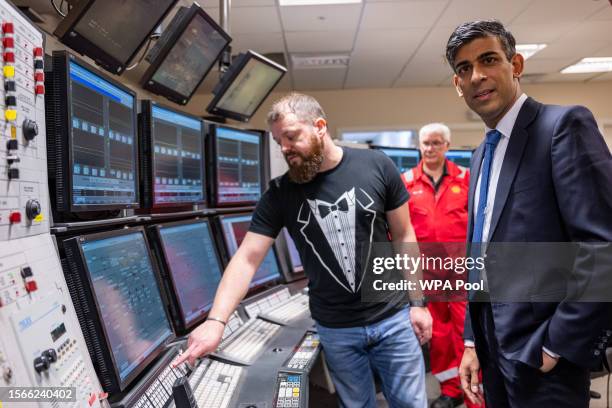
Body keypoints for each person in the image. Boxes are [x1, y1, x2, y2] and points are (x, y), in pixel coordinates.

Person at [173, 93, 433, 408]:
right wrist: (217, 321)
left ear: (320, 126)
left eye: (291, 136)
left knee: (411, 403)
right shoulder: (281, 192)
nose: (284, 147)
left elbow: (404, 235)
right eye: (278, 140)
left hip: (393, 318)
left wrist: (418, 302)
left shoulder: (376, 165)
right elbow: (247, 258)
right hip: (336, 329)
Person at [444, 20, 612, 407]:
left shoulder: (561, 127)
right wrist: (472, 341)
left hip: (543, 354)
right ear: (457, 85)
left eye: (488, 59)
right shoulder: (481, 153)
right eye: (464, 69)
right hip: (492, 349)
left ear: (515, 64)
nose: (477, 76)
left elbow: (601, 247)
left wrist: (557, 344)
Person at [402, 123, 483, 408]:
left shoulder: (467, 178)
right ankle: (451, 389)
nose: (430, 148)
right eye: (425, 143)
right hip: (427, 273)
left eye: (436, 143)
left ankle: (475, 392)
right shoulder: (406, 182)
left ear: (447, 145)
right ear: (419, 145)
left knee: (469, 332)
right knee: (438, 334)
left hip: (462, 272)